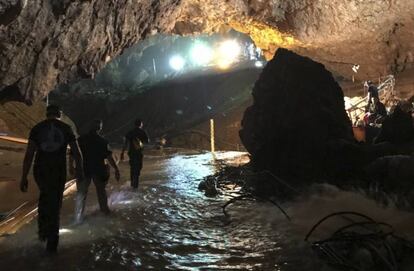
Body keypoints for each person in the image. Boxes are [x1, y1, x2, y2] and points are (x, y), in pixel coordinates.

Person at [20, 104, 83, 253]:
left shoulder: (37, 128)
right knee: (55, 204)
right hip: (57, 170)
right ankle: (51, 244)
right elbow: (77, 152)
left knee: (44, 198)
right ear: (59, 114)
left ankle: (42, 234)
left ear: (47, 114)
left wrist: (23, 177)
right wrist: (79, 171)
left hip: (40, 170)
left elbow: (29, 154)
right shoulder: (66, 128)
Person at [74, 120, 120, 223]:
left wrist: (71, 167)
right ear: (100, 128)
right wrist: (116, 169)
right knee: (101, 191)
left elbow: (74, 153)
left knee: (82, 193)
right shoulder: (103, 141)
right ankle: (105, 212)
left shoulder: (81, 139)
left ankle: (78, 217)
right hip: (99, 169)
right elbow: (109, 157)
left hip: (84, 169)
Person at [120, 118, 149, 189]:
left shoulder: (130, 132)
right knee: (138, 168)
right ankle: (135, 185)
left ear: (134, 124)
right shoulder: (142, 132)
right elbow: (147, 141)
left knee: (132, 168)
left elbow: (125, 144)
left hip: (131, 153)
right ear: (141, 124)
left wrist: (122, 153)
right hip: (139, 153)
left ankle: (132, 184)